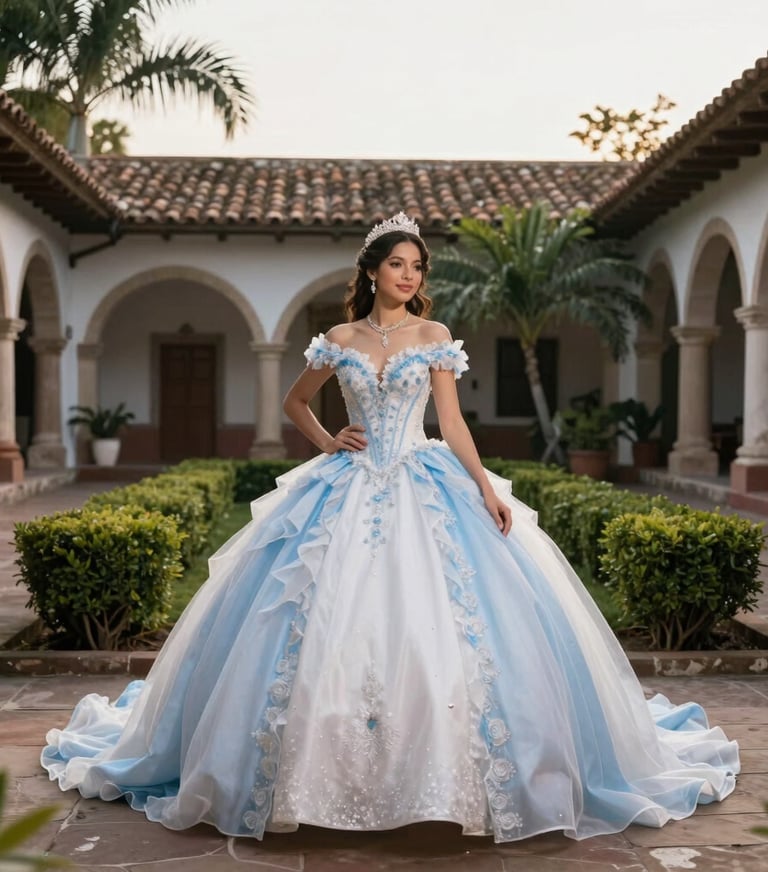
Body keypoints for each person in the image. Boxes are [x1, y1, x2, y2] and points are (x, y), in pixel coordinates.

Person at [42, 212, 738, 843]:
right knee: (305, 615)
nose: (410, 276)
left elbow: (452, 421)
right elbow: (293, 402)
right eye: (399, 264)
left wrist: (482, 488)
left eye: (418, 267)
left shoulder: (433, 337)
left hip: (422, 479)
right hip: (347, 484)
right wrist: (326, 442)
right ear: (372, 270)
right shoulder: (337, 339)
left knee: (443, 620)